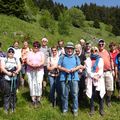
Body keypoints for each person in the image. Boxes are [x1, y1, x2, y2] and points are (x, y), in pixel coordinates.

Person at [58, 42, 82, 116]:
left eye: (71, 49)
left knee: (75, 94)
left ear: (73, 49)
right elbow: (58, 66)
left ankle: (75, 109)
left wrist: (74, 69)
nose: (69, 50)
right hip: (63, 78)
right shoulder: (62, 57)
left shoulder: (75, 57)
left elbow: (79, 66)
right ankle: (65, 109)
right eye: (68, 48)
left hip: (74, 78)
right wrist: (64, 69)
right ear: (65, 49)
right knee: (65, 95)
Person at [85, 47, 105, 116]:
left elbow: (101, 69)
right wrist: (93, 76)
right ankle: (92, 108)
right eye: (92, 51)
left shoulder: (100, 59)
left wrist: (98, 76)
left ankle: (101, 108)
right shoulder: (88, 59)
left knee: (100, 94)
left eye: (95, 50)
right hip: (91, 79)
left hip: (99, 79)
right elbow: (88, 70)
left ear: (97, 51)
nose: (94, 52)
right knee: (92, 94)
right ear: (91, 51)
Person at [1, 47, 21, 114]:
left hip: (14, 78)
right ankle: (6, 108)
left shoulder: (16, 59)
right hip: (6, 78)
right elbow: (2, 67)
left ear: (14, 53)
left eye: (12, 51)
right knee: (7, 93)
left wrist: (16, 71)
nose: (11, 53)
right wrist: (7, 73)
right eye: (9, 51)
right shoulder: (4, 59)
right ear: (7, 52)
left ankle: (13, 108)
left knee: (13, 93)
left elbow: (19, 66)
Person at [26, 41, 44, 107]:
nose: (36, 47)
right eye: (35, 46)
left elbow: (43, 61)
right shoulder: (29, 53)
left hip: (39, 70)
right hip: (30, 71)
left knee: (38, 84)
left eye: (37, 46)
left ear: (39, 47)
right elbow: (27, 61)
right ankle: (33, 99)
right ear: (33, 46)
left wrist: (38, 65)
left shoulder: (41, 53)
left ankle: (38, 99)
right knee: (31, 84)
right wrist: (32, 65)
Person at [98, 39, 114, 107]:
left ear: (104, 44)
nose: (101, 45)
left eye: (102, 44)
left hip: (108, 71)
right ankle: (103, 100)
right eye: (100, 44)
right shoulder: (97, 52)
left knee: (109, 87)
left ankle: (109, 100)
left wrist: (113, 69)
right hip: (100, 73)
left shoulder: (108, 52)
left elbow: (111, 61)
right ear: (98, 45)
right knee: (102, 87)